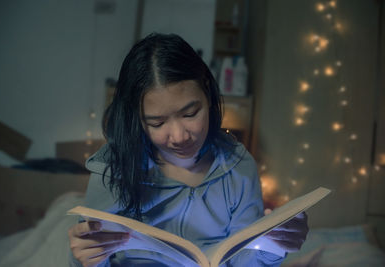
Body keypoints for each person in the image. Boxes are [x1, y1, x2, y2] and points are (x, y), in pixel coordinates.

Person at [68, 33, 308, 267]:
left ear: (207, 91)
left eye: (190, 113)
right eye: (157, 123)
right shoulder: (115, 167)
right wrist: (88, 259)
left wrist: (273, 247)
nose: (180, 136)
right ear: (138, 119)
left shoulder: (238, 167)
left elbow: (246, 261)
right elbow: (89, 252)